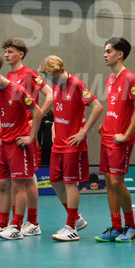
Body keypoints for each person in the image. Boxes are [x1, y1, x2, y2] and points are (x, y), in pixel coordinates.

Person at [39, 55, 103, 242]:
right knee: (55, 181)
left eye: (53, 76)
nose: (52, 81)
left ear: (61, 69)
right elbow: (59, 111)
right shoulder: (58, 86)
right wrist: (53, 128)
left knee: (69, 183)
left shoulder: (76, 84)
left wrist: (83, 131)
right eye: (49, 78)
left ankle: (71, 227)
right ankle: (76, 219)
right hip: (58, 143)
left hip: (73, 145)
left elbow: (97, 107)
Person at [0, 59, 43, 240]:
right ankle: (2, 224)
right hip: (3, 144)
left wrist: (31, 136)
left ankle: (17, 226)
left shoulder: (17, 90)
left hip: (18, 144)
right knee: (3, 185)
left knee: (18, 185)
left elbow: (37, 111)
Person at [95, 37, 135, 243]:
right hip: (107, 135)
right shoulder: (110, 79)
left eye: (109, 51)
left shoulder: (129, 78)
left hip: (120, 140)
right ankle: (116, 227)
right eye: (105, 51)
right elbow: (115, 107)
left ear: (120, 54)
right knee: (108, 181)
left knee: (117, 181)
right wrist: (106, 123)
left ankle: (131, 226)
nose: (105, 55)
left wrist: (125, 133)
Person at [4, 38, 55, 236]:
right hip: (11, 133)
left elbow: (50, 95)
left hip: (26, 131)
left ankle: (32, 222)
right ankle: (18, 220)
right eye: (5, 52)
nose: (6, 55)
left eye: (10, 51)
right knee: (17, 180)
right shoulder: (8, 75)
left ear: (20, 54)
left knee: (27, 179)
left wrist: (38, 116)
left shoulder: (30, 74)